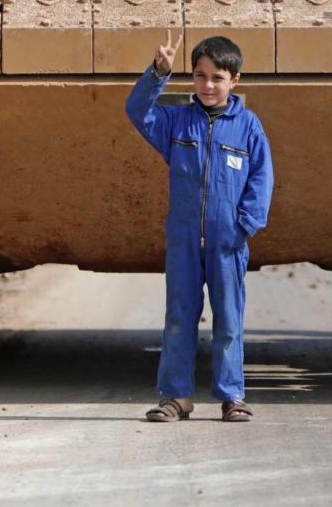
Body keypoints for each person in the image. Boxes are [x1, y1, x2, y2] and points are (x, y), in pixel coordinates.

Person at [125, 32, 273, 422]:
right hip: (185, 239)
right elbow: (137, 110)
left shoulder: (248, 127)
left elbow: (261, 177)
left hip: (228, 241)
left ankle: (232, 396)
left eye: (218, 78)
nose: (208, 85)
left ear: (234, 80)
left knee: (228, 320)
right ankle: (176, 397)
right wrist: (158, 73)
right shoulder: (176, 122)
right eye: (201, 76)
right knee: (179, 317)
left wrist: (245, 225)